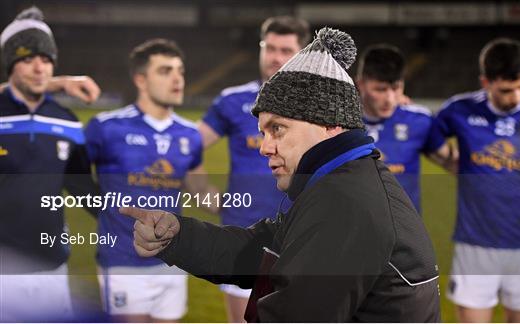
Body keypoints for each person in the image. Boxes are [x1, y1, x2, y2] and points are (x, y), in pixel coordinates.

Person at [121, 28, 441, 322]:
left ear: (329, 123)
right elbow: (262, 252)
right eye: (263, 132)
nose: (265, 147)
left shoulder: (346, 204)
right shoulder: (338, 183)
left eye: (277, 129)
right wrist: (179, 236)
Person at [85, 38, 218, 322]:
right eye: (165, 71)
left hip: (171, 261)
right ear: (140, 80)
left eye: (180, 71)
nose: (177, 78)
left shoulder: (189, 134)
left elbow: (199, 187)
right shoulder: (107, 128)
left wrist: (238, 206)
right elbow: (71, 173)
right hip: (123, 263)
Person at [197, 15, 310, 322]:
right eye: (269, 48)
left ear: (302, 53)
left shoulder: (318, 104)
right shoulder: (233, 101)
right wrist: (203, 194)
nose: (275, 57)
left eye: (285, 50)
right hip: (244, 236)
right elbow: (187, 146)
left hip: (303, 236)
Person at [428, 38, 520, 322]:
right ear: (485, 82)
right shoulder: (459, 110)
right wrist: (450, 161)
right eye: (505, 90)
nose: (515, 97)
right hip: (475, 244)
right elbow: (428, 136)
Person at [0, 6, 99, 321]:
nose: (39, 68)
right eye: (28, 59)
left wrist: (127, 216)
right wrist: (62, 82)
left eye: (46, 60)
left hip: (52, 265)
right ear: (10, 64)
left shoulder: (68, 121)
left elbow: (82, 187)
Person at [355, 44, 449, 212]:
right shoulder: (339, 122)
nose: (390, 99)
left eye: (396, 88)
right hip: (357, 227)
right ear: (361, 84)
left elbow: (451, 160)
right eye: (380, 89)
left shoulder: (419, 120)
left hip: (404, 230)